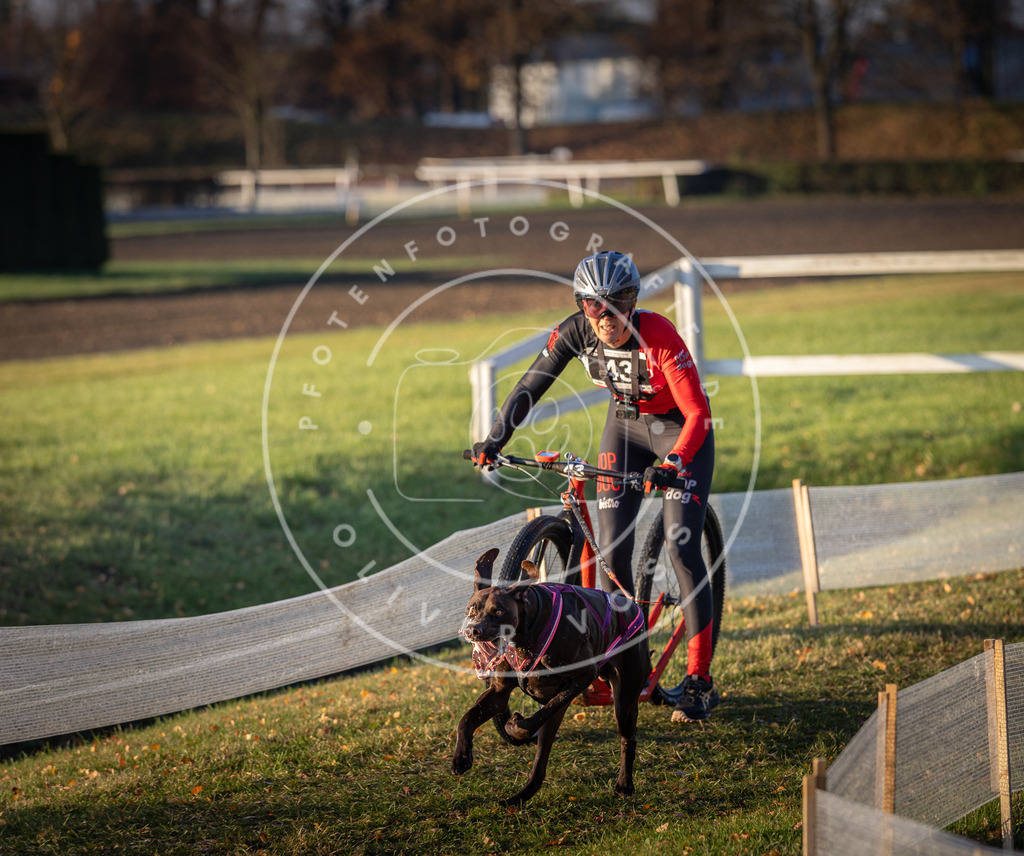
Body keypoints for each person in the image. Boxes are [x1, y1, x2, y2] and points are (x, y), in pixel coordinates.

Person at [471, 250, 719, 723]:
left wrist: (673, 462)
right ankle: (616, 658)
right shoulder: (576, 331)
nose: (605, 318)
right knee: (610, 550)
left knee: (680, 544)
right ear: (582, 307)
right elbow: (531, 385)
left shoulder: (660, 335)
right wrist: (495, 438)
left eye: (615, 305)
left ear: (633, 301)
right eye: (592, 306)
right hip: (623, 430)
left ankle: (699, 679)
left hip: (678, 434)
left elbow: (697, 414)